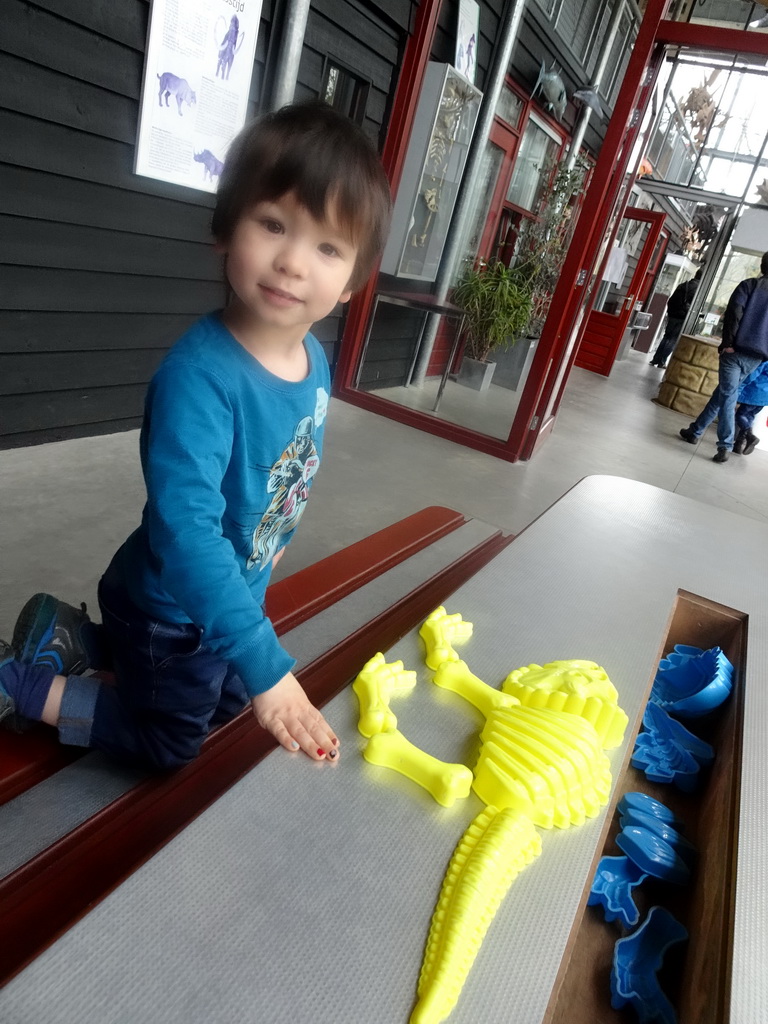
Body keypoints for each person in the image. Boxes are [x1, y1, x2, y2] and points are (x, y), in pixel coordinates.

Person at [0, 103, 392, 769]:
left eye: (327, 246)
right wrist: (266, 664)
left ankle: (74, 639)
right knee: (173, 742)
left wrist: (254, 652)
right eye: (273, 224)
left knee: (232, 699)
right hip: (167, 610)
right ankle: (26, 685)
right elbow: (189, 532)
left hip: (220, 594)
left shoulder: (314, 362)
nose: (294, 262)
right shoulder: (198, 380)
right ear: (226, 228)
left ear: (354, 281)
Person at [679, 253, 768, 462]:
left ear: (762, 265)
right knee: (723, 393)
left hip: (736, 351)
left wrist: (727, 344)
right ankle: (694, 431)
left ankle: (725, 445)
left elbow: (733, 313)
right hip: (757, 357)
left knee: (728, 395)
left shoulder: (749, 286)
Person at [650, 268, 702, 368]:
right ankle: (662, 361)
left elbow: (671, 300)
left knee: (666, 337)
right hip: (682, 317)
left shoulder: (683, 285)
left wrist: (670, 313)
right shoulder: (697, 289)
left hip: (673, 315)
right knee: (673, 340)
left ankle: (655, 359)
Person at [733, 360, 768, 455]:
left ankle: (750, 436)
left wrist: (741, 383)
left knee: (740, 415)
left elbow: (753, 374)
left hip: (754, 393)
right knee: (749, 417)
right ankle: (738, 445)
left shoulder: (766, 360)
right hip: (764, 397)